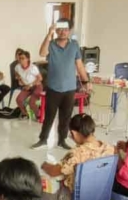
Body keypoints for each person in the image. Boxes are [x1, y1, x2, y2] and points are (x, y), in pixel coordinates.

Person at [32, 19, 92, 150]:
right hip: (53, 87)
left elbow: (79, 65)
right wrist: (49, 34)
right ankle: (43, 139)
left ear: (69, 30)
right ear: (56, 30)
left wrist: (86, 81)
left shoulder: (74, 45)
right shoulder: (52, 44)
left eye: (65, 29)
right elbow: (42, 53)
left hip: (70, 88)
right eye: (59, 29)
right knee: (49, 116)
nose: (63, 32)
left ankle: (62, 140)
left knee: (65, 117)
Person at [41, 114, 114, 200]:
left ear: (74, 133)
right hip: (99, 199)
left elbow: (54, 172)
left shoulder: (76, 153)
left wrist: (45, 165)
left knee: (35, 192)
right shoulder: (109, 148)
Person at [14, 51, 44, 118]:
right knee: (19, 100)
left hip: (36, 86)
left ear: (28, 59)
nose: (21, 60)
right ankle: (25, 114)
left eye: (23, 58)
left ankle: (38, 115)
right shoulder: (17, 67)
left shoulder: (33, 68)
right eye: (20, 58)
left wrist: (30, 85)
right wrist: (19, 78)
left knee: (32, 103)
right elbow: (16, 73)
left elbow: (40, 78)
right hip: (26, 87)